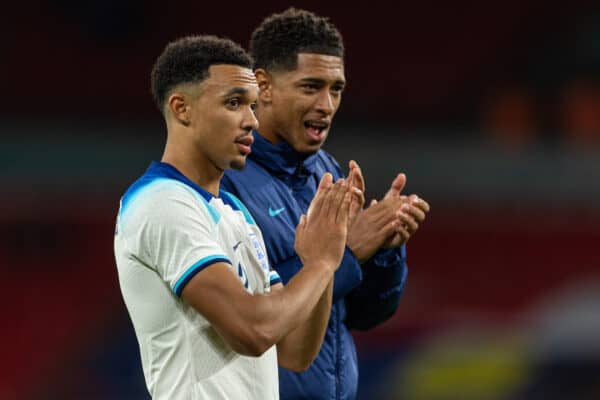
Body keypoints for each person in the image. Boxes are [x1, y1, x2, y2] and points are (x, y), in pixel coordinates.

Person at [114, 35, 362, 400]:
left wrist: (322, 257)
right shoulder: (162, 203)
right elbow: (253, 330)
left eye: (252, 105)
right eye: (233, 103)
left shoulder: (235, 212)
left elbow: (294, 351)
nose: (250, 120)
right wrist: (322, 265)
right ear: (182, 108)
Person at [221, 8, 431, 400]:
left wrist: (384, 249)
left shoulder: (325, 171)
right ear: (263, 86)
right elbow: (250, 310)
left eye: (336, 89)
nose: (327, 104)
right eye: (311, 87)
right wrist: (349, 251)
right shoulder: (225, 177)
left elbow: (367, 315)